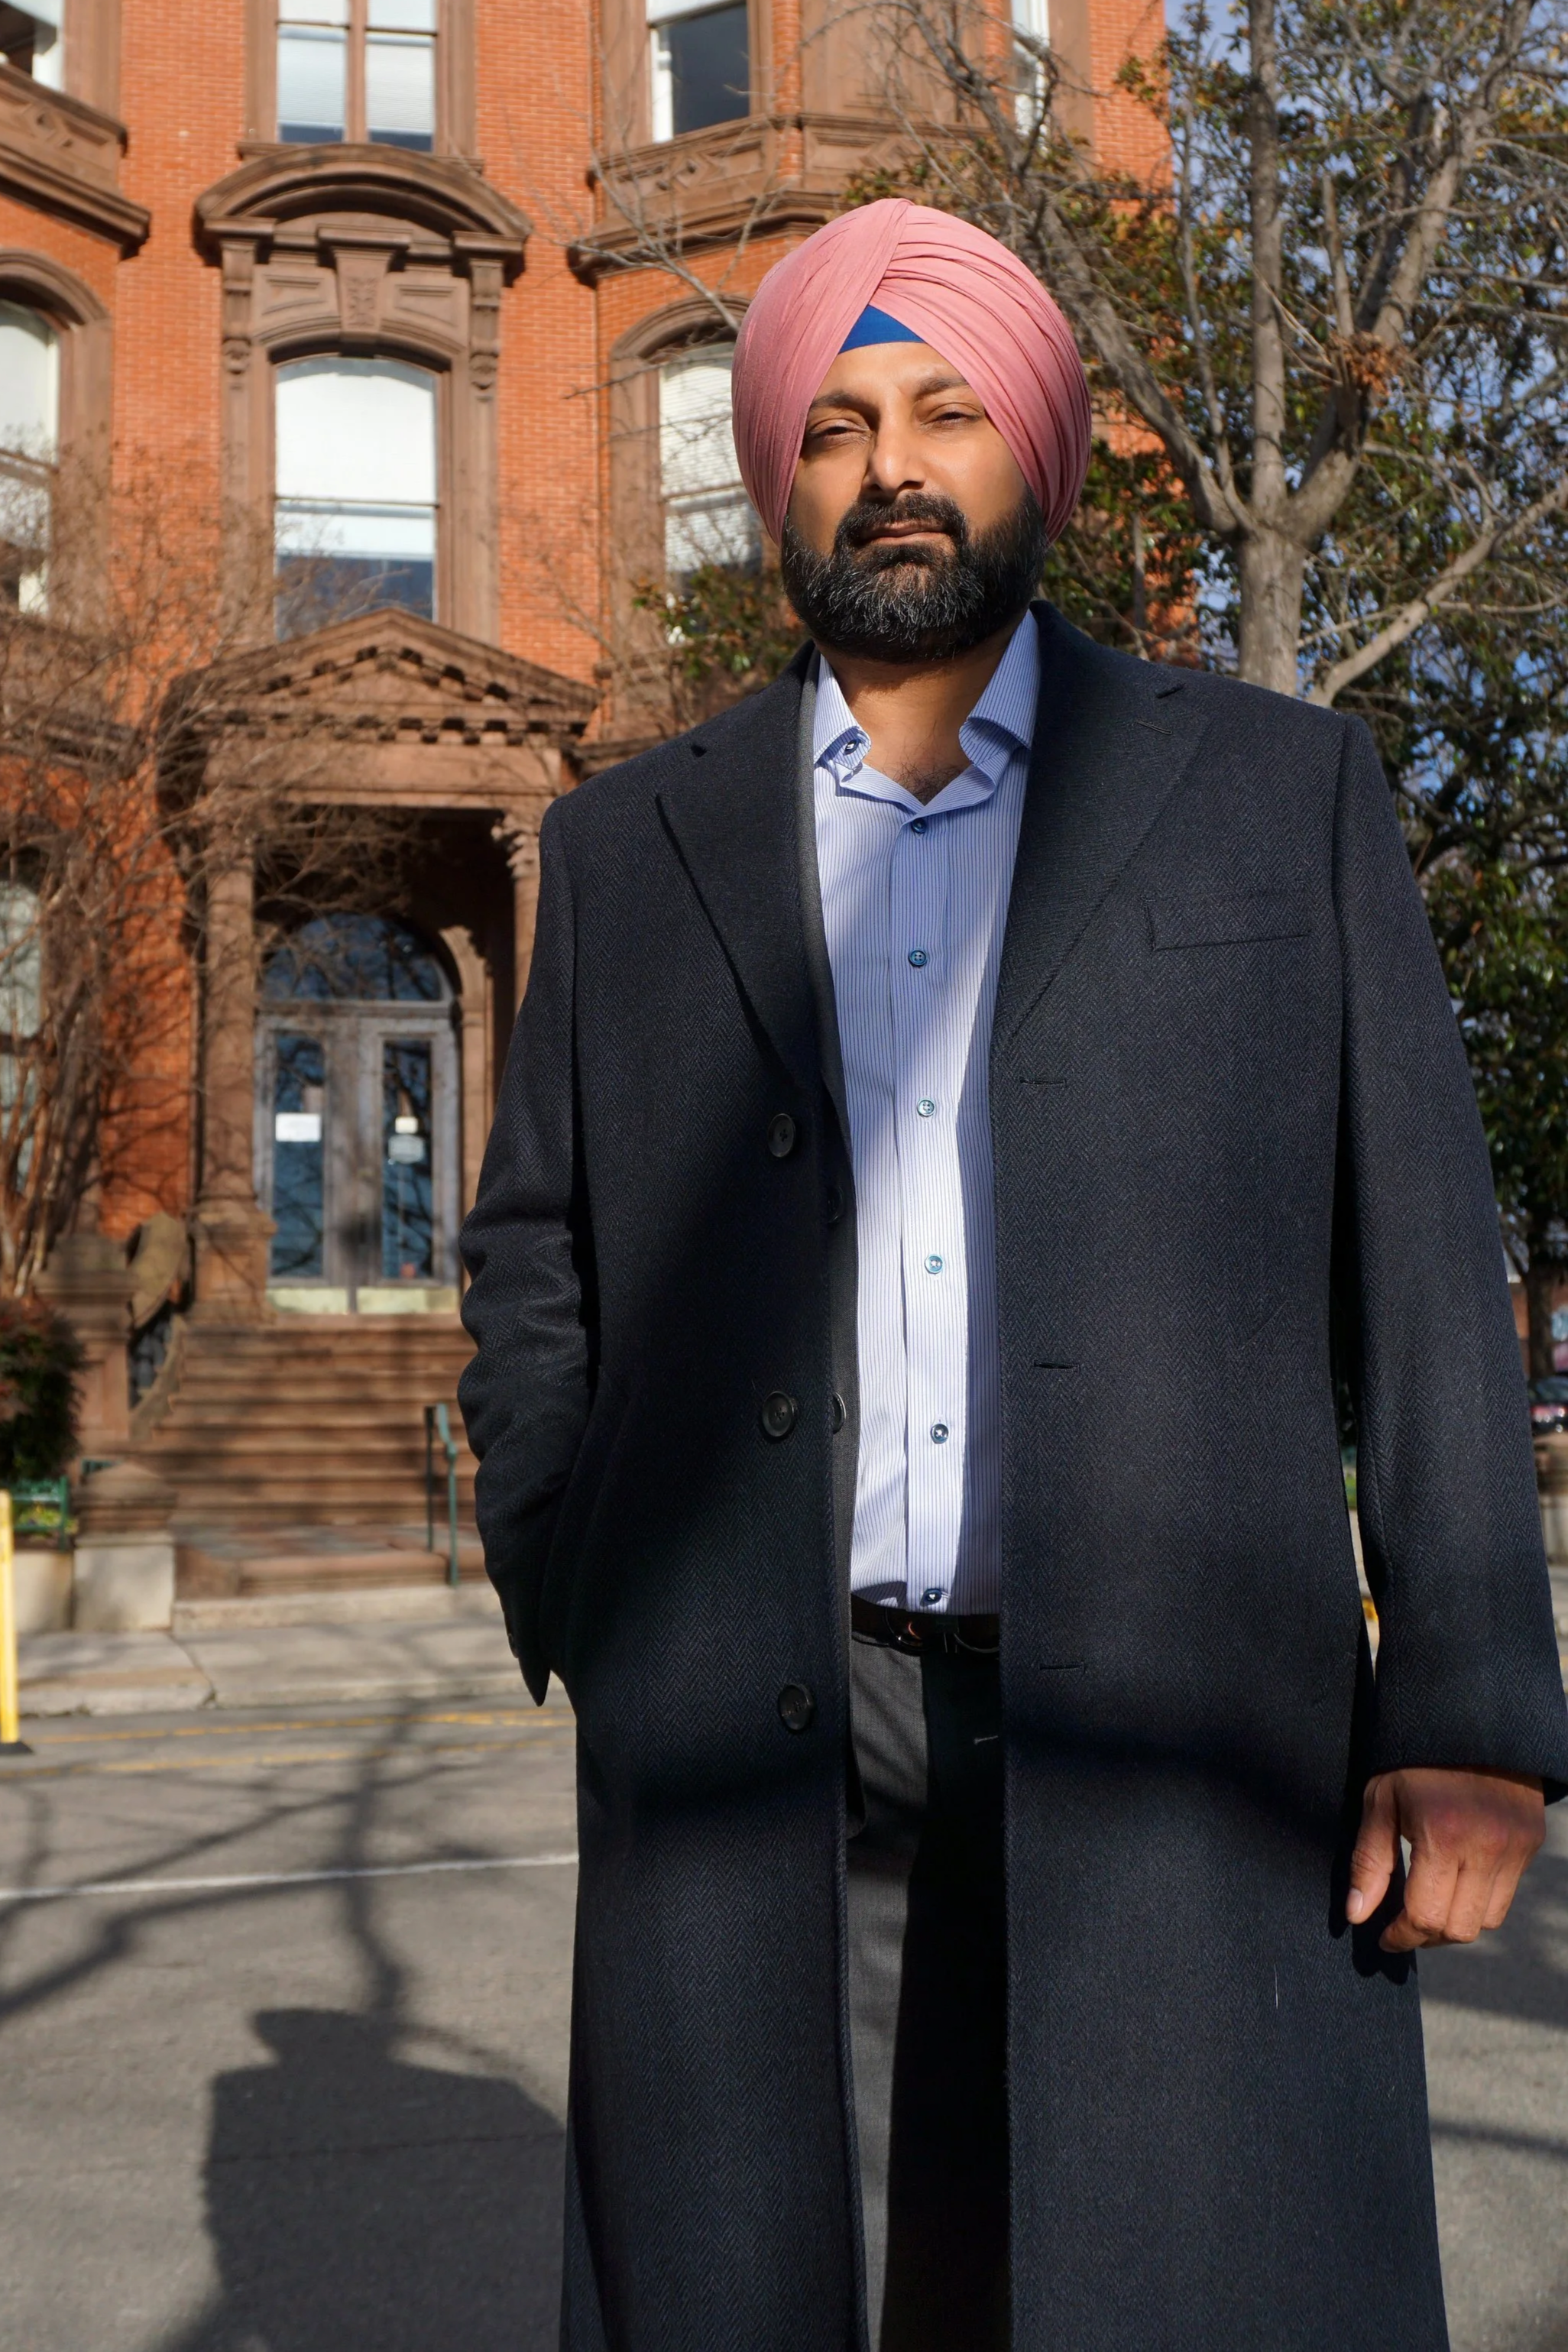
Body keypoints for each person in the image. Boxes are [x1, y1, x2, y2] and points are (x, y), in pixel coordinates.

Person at [458, 198, 1568, 2352]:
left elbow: (1425, 1254)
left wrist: (1467, 1709)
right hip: (764, 1693)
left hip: (1174, 1690)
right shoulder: (624, 848)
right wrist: (573, 1573)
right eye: (838, 422)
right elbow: (537, 1253)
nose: (891, 462)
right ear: (775, 468)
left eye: (946, 411)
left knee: (1167, 2265)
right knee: (749, 2260)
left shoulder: (1273, 798)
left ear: (1031, 453)